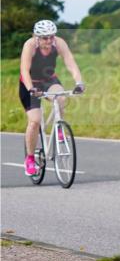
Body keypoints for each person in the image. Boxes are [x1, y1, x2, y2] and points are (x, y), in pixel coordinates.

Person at [19, 20, 84, 176]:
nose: (48, 41)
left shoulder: (59, 43)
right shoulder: (30, 46)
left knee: (61, 97)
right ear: (36, 37)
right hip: (30, 84)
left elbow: (70, 62)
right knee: (34, 121)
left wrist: (79, 82)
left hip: (49, 80)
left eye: (51, 37)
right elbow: (24, 70)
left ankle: (59, 128)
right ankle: (29, 159)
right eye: (44, 38)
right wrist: (31, 89)